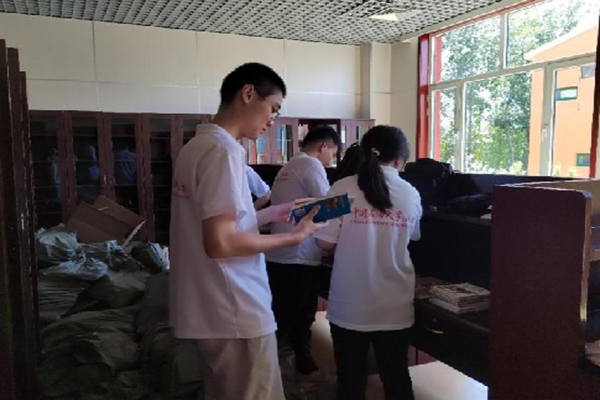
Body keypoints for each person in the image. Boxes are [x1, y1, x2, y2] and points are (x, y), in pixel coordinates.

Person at [169, 62, 325, 400]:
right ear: (248, 93)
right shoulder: (223, 151)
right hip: (234, 307)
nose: (272, 120)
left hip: (208, 306)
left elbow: (218, 223)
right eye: (273, 108)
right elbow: (220, 243)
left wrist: (273, 212)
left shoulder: (196, 147)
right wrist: (295, 237)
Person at [315, 125, 422, 400]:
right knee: (397, 378)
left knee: (350, 380)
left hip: (350, 305)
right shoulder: (411, 193)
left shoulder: (341, 188)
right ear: (400, 159)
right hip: (395, 304)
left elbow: (323, 242)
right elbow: (413, 236)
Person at [265, 125, 340, 375]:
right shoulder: (311, 165)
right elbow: (329, 205)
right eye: (332, 153)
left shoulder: (289, 165)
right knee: (296, 314)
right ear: (323, 146)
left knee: (287, 313)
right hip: (298, 255)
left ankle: (301, 362)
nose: (331, 160)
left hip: (281, 252)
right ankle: (270, 370)